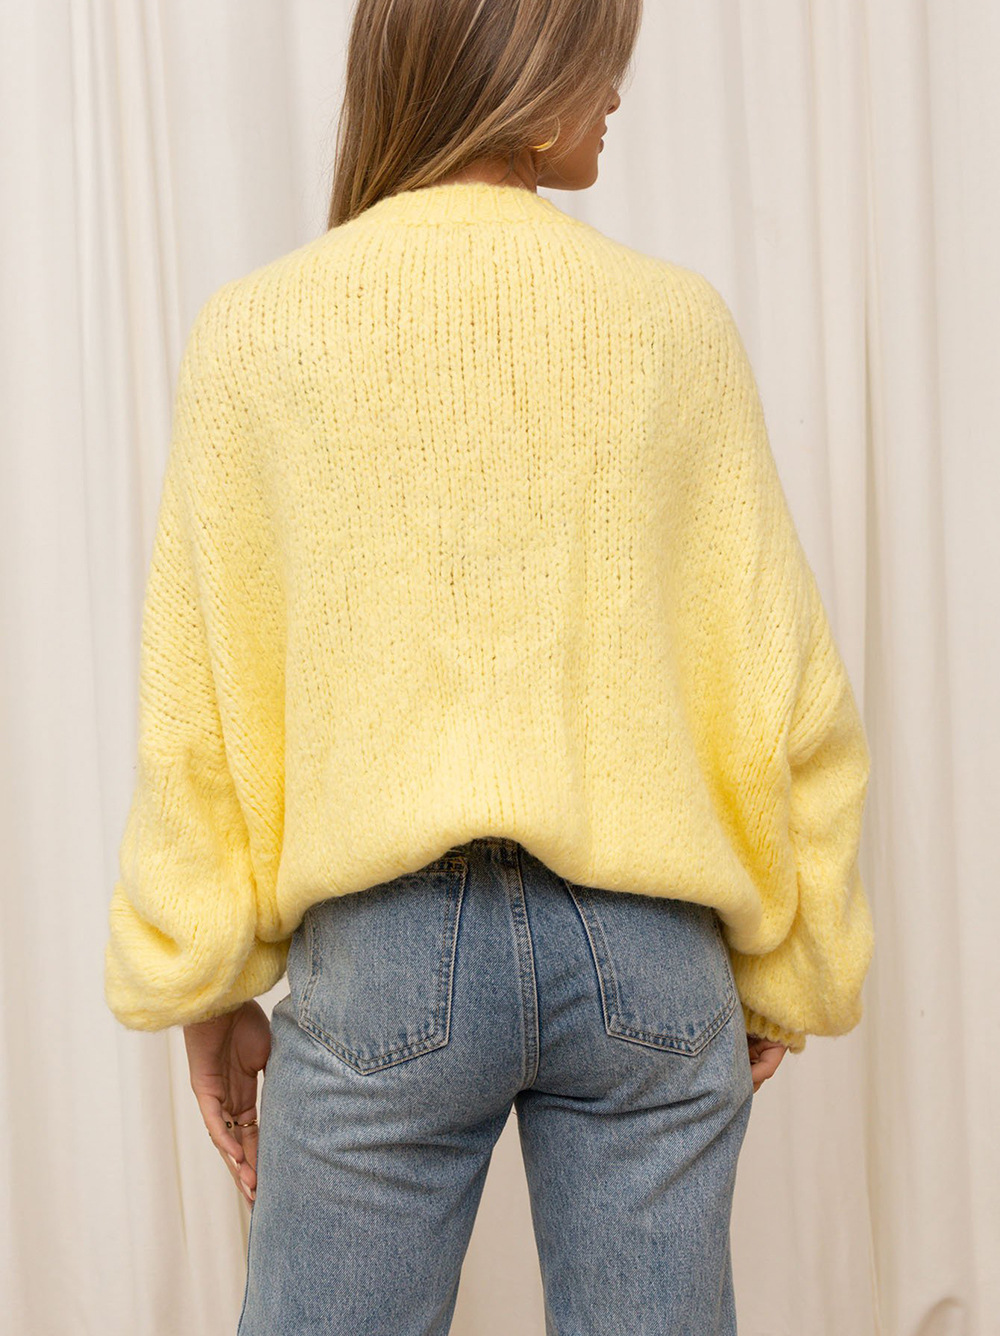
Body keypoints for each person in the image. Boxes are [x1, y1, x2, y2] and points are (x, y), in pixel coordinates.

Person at [105, 1, 875, 1331]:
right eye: (601, 58)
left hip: (387, 953)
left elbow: (203, 710)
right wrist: (793, 964)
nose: (618, 93)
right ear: (519, 69)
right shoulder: (674, 327)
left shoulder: (257, 332)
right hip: (652, 951)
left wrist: (204, 981)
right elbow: (782, 681)